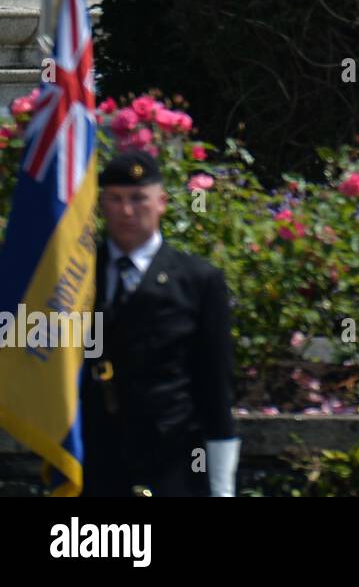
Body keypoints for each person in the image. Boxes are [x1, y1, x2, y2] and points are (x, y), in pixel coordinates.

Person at [80, 150, 240, 496]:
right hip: (97, 461)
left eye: (139, 199)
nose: (126, 211)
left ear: (162, 202)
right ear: (101, 204)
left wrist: (222, 487)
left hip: (173, 460)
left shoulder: (198, 280)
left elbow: (215, 388)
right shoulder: (77, 276)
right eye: (115, 199)